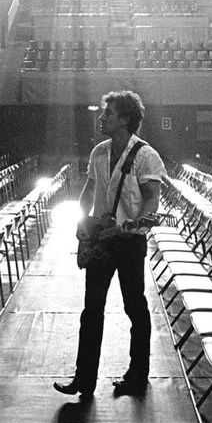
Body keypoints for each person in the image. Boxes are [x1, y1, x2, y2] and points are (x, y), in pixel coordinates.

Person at [54, 90, 165, 401]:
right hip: (101, 240)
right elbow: (89, 191)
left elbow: (152, 201)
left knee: (135, 308)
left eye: (108, 114)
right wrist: (81, 222)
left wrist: (136, 225)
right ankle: (84, 378)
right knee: (91, 311)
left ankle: (137, 375)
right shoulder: (99, 152)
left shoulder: (146, 156)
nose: (101, 118)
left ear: (125, 119)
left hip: (129, 243)